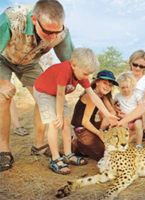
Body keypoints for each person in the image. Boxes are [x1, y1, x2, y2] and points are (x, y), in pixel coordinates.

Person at [0, 0, 74, 172]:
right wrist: (2, 82)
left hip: (30, 63)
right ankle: (3, 149)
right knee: (3, 97)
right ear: (34, 19)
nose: (52, 37)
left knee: (45, 98)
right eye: (48, 32)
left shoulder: (61, 33)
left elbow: (72, 63)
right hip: (3, 59)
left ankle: (39, 145)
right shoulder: (11, 19)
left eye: (57, 32)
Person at [33, 48, 118, 174]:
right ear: (74, 65)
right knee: (55, 124)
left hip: (57, 94)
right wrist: (58, 115)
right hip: (44, 92)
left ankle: (68, 155)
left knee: (66, 123)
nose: (86, 77)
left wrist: (107, 115)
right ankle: (55, 159)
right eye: (85, 74)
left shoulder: (81, 73)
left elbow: (93, 96)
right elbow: (61, 95)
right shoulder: (64, 71)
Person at [71, 70, 118, 161]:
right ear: (97, 82)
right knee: (104, 155)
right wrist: (100, 133)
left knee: (116, 123)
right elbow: (84, 122)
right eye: (105, 83)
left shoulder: (103, 96)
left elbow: (112, 112)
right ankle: (77, 144)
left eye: (110, 85)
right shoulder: (91, 96)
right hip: (83, 129)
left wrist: (104, 125)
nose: (107, 87)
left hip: (91, 127)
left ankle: (90, 142)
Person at [127, 50, 145, 141]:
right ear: (130, 63)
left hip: (139, 114)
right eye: (135, 65)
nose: (138, 68)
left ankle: (139, 133)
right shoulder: (124, 76)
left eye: (141, 66)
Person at [115, 72, 145, 149]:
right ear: (119, 87)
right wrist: (115, 108)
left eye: (127, 87)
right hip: (124, 120)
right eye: (122, 87)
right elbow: (112, 106)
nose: (125, 89)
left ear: (132, 86)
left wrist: (144, 123)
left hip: (135, 119)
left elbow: (141, 108)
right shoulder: (118, 96)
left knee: (138, 124)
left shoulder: (136, 95)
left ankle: (139, 145)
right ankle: (124, 144)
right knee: (123, 125)